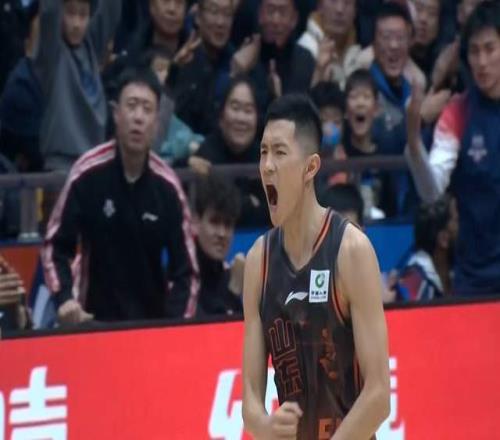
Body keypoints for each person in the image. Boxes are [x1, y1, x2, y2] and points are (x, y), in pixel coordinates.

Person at [242, 94, 389, 439]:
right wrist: (265, 426)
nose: (267, 166)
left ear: (310, 168)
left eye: (280, 152)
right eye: (263, 152)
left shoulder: (351, 251)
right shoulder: (258, 261)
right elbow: (250, 399)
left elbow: (379, 395)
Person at [41, 68, 199, 324]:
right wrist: (65, 298)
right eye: (132, 106)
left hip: (151, 329)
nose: (138, 117)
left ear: (157, 123)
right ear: (116, 113)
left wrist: (174, 327)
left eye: (147, 109)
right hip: (92, 322)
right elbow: (55, 246)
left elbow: (187, 272)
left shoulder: (168, 187)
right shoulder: (86, 173)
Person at [406, 0, 500, 297]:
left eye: (490, 49)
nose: (482, 61)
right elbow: (431, 190)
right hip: (476, 278)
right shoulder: (457, 112)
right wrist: (413, 141)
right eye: (474, 51)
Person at [34, 0, 122, 171]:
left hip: (95, 162)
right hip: (61, 166)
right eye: (70, 14)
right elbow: (49, 11)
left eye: (83, 15)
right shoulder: (52, 54)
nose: (76, 24)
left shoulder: (91, 47)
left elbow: (111, 8)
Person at [191, 75, 269, 227]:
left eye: (248, 110)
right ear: (221, 115)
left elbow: (269, 213)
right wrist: (248, 203)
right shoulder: (206, 152)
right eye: (235, 108)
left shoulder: (265, 156)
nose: (241, 118)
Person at [171, 0, 236, 135]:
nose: (220, 22)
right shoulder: (181, 56)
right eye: (214, 11)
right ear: (198, 17)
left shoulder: (236, 61)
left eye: (227, 14)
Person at [193, 173, 245, 317]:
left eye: (228, 224)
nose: (222, 233)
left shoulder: (230, 276)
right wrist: (233, 292)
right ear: (196, 222)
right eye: (214, 222)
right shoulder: (182, 279)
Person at [388, 196, 458, 302]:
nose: (462, 227)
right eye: (457, 220)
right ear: (443, 239)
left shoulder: (457, 274)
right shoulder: (417, 283)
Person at [299, 0, 362, 90]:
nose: (340, 9)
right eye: (333, 1)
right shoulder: (305, 49)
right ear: (320, 6)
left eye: (347, 2)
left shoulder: (361, 55)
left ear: (355, 11)